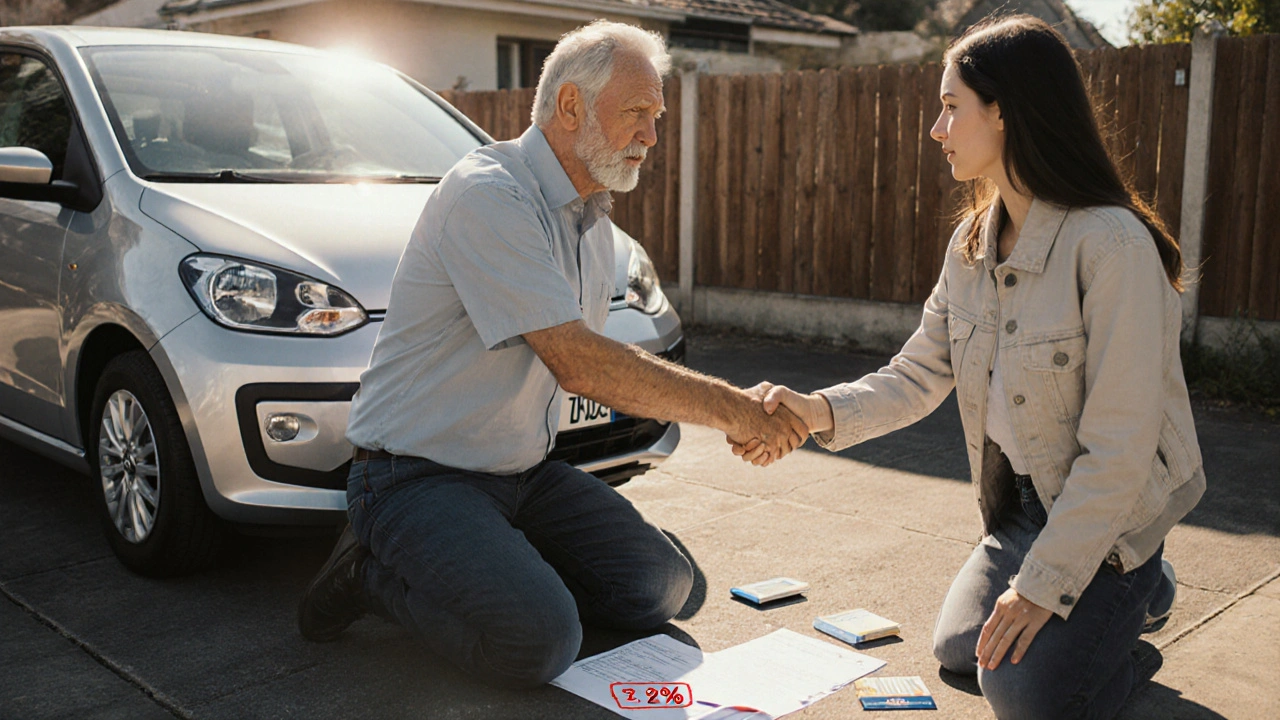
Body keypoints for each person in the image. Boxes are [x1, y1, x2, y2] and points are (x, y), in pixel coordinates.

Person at [296, 20, 807, 688]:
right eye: (636, 113)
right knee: (538, 642)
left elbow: (597, 358)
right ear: (570, 106)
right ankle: (366, 575)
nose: (651, 136)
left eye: (655, 117)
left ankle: (502, 570)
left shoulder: (591, 220)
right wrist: (736, 410)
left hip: (523, 474)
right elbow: (581, 362)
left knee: (663, 586)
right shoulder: (489, 194)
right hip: (412, 477)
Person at [734, 15, 1203, 720]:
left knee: (1022, 693)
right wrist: (815, 411)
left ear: (1005, 111)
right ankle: (1137, 601)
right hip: (1023, 511)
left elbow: (1120, 450)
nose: (936, 129)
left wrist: (1039, 588)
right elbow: (917, 373)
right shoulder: (971, 243)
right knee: (959, 648)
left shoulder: (1112, 247)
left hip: (1112, 523)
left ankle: (1136, 600)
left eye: (952, 106)